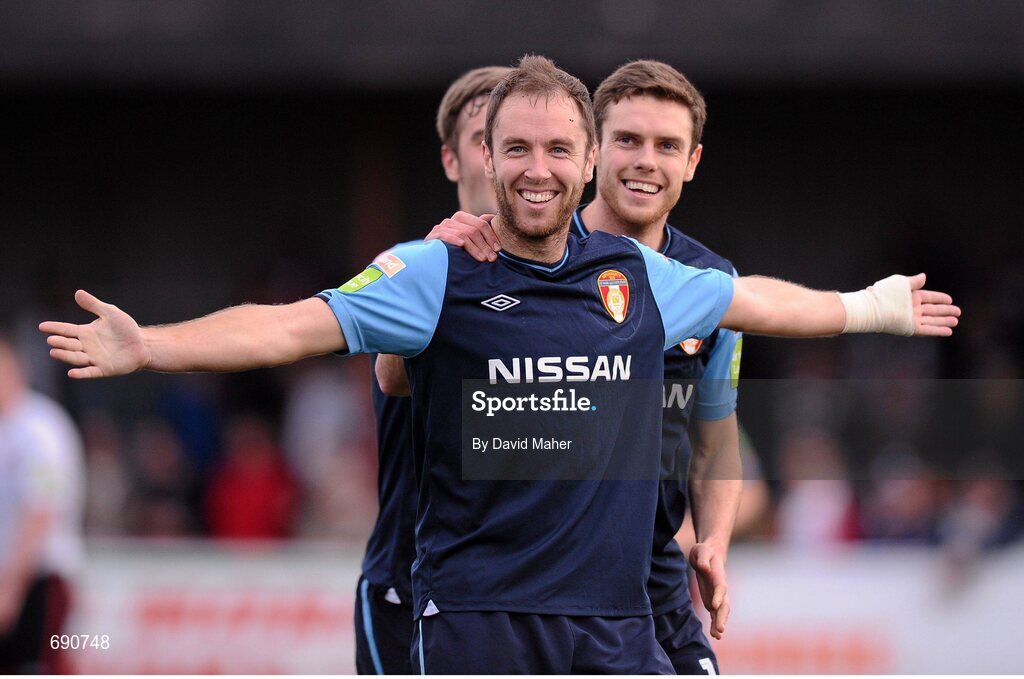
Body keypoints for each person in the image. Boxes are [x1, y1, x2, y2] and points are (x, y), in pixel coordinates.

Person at [40, 55, 959, 673]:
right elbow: (288, 327)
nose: (538, 167)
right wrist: (151, 343)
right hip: (477, 618)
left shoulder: (642, 278)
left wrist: (871, 307)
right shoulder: (435, 269)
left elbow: (755, 302)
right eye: (516, 148)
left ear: (584, 161)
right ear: (483, 156)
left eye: (560, 149)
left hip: (615, 621)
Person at [355, 65, 509, 675]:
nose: (500, 156)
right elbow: (390, 375)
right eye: (483, 138)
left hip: (526, 590)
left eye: (514, 139)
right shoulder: (410, 266)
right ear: (452, 161)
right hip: (408, 580)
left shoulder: (579, 281)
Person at [0, 333, 85, 673]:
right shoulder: (8, 430)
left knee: (41, 667)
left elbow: (41, 511)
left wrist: (10, 588)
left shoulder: (39, 428)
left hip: (39, 579)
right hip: (13, 576)